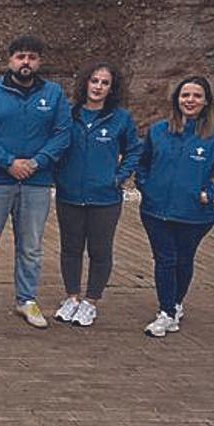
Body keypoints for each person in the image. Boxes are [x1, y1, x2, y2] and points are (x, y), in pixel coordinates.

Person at [0, 36, 70, 328]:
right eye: (20, 56)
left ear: (39, 62)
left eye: (32, 57)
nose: (26, 62)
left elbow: (63, 133)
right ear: (10, 60)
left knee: (31, 247)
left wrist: (37, 162)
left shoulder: (54, 94)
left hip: (36, 182)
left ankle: (27, 299)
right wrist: (8, 162)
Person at [136, 76, 214, 338]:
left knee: (183, 260)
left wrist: (211, 193)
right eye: (185, 95)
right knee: (165, 260)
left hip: (194, 214)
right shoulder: (158, 131)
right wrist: (146, 187)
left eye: (196, 96)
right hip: (155, 211)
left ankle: (175, 304)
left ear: (206, 101)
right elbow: (143, 163)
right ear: (177, 99)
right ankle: (166, 312)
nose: (190, 100)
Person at [52, 63, 143, 327]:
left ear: (112, 89)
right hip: (69, 195)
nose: (98, 87)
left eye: (105, 83)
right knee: (70, 248)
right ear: (85, 83)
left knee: (100, 250)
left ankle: (91, 301)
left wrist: (118, 177)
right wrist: (59, 176)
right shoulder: (68, 115)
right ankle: (72, 297)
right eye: (94, 81)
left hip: (105, 198)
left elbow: (134, 150)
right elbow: (55, 146)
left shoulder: (120, 118)